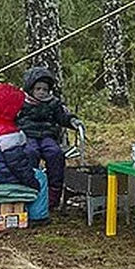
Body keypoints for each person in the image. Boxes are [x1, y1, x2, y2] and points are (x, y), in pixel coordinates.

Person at [0, 82, 49, 223]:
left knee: (33, 172)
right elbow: (17, 164)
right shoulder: (8, 133)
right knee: (41, 177)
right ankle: (38, 216)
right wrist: (31, 180)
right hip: (5, 176)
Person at [18, 66, 83, 212]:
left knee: (55, 153)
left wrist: (72, 120)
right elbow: (12, 116)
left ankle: (53, 197)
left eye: (45, 89)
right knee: (30, 152)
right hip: (28, 135)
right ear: (30, 88)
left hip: (48, 136)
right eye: (38, 89)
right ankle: (30, 189)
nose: (41, 92)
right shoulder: (22, 101)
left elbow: (62, 117)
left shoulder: (53, 103)